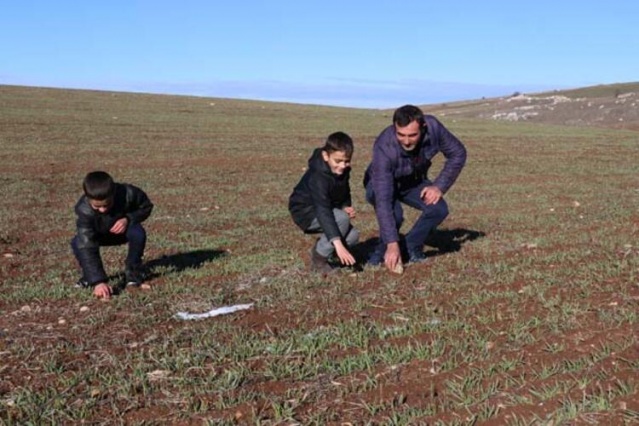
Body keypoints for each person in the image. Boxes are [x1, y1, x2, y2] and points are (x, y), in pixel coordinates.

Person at [363, 104, 467, 272]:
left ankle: (411, 246)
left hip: (412, 181)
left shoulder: (433, 127)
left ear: (423, 127)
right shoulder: (384, 147)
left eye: (412, 135)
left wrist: (439, 186)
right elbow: (383, 200)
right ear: (394, 127)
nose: (406, 141)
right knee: (394, 216)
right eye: (401, 135)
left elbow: (458, 153)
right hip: (380, 182)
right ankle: (380, 252)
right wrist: (392, 244)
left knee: (438, 209)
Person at [71, 171, 154, 299]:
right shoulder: (84, 210)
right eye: (97, 206)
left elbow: (146, 207)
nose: (103, 210)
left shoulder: (128, 193)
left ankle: (133, 273)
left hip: (123, 232)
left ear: (114, 192)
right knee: (78, 242)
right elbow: (87, 244)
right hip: (99, 236)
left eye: (107, 204)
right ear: (88, 199)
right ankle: (89, 277)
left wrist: (128, 219)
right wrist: (98, 281)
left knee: (138, 233)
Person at [289, 131, 359, 273]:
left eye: (346, 161)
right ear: (326, 156)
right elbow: (322, 210)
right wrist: (338, 245)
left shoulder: (343, 170)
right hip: (305, 211)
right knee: (342, 220)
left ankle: (324, 249)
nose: (342, 165)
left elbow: (344, 190)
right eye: (338, 161)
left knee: (352, 236)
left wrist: (345, 206)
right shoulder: (318, 176)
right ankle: (319, 259)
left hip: (325, 207)